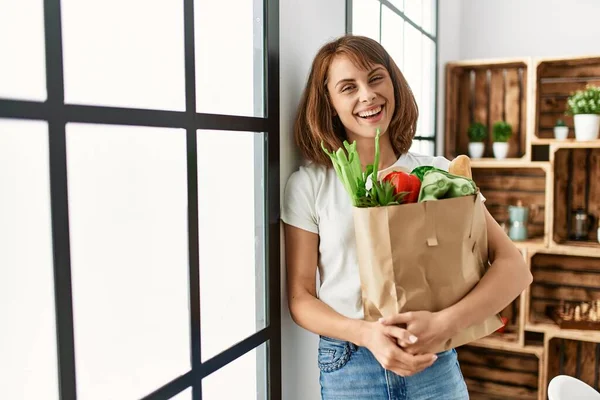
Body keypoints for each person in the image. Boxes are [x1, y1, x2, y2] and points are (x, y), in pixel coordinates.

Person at [281, 34, 532, 399]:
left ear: (394, 83)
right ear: (330, 104)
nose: (367, 95)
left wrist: (443, 324)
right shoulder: (309, 185)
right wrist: (366, 334)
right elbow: (301, 298)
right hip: (350, 363)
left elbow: (513, 267)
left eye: (376, 77)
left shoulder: (441, 173)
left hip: (433, 359)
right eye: (348, 87)